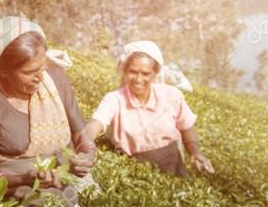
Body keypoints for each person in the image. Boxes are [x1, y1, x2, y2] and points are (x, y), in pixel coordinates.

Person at [0, 16, 99, 207]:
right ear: (3, 70)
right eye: (28, 72)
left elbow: (82, 137)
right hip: (14, 186)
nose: (40, 78)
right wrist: (23, 179)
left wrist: (86, 156)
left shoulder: (56, 79)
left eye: (42, 67)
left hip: (66, 177)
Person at [84, 41, 214, 177]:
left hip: (174, 165)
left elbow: (186, 128)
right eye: (133, 72)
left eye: (145, 74)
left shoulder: (171, 95)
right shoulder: (114, 99)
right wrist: (84, 143)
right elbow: (96, 123)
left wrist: (195, 153)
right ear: (125, 71)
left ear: (155, 73)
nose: (138, 79)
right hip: (133, 171)